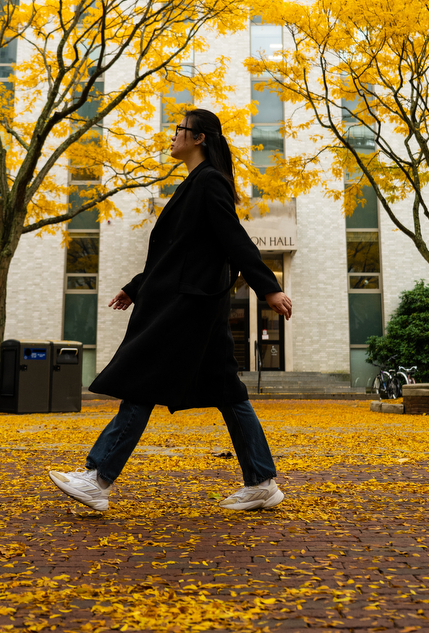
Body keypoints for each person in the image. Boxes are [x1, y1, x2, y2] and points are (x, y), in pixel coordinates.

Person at [48, 108, 293, 513]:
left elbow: (234, 238)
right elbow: (177, 254)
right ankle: (261, 480)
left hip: (187, 308)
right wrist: (135, 286)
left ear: (199, 138)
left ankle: (98, 478)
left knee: (140, 381)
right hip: (194, 305)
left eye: (179, 129)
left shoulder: (208, 182)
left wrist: (268, 288)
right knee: (228, 393)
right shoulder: (194, 184)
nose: (173, 136)